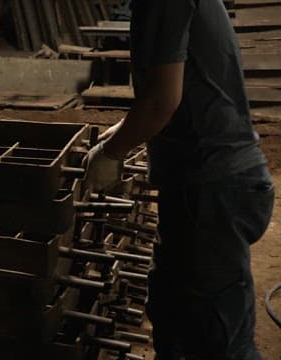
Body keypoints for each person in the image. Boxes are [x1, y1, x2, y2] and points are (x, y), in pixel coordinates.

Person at [84, 0, 275, 359]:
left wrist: (112, 153)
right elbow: (183, 87)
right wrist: (123, 133)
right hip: (203, 186)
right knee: (174, 321)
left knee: (219, 343)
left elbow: (160, 102)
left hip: (214, 188)